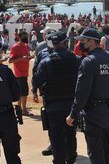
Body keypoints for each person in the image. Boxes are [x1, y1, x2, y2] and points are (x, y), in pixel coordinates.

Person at [66, 28, 109, 164]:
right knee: (107, 150)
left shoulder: (88, 61)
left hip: (94, 113)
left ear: (91, 42)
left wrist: (73, 114)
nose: (80, 44)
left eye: (83, 41)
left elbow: (82, 92)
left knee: (96, 152)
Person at [33, 31, 80, 164]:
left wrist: (35, 91)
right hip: (72, 105)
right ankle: (71, 160)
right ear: (66, 43)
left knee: (56, 137)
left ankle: (59, 160)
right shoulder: (76, 59)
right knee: (71, 135)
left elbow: (36, 81)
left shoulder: (46, 61)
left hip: (53, 106)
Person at [9, 31, 34, 116]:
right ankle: (24, 110)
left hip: (25, 72)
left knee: (21, 92)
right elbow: (10, 60)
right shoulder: (15, 47)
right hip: (19, 73)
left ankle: (19, 108)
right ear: (19, 37)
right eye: (23, 37)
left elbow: (27, 57)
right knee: (24, 92)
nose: (25, 39)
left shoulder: (26, 46)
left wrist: (30, 57)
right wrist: (21, 58)